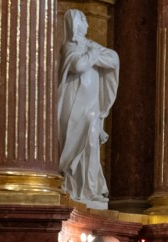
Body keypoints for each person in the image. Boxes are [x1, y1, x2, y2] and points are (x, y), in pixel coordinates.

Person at [57, 9, 119, 210]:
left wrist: (90, 54)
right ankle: (74, 187)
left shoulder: (90, 46)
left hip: (91, 107)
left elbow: (113, 59)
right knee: (75, 145)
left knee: (91, 146)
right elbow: (78, 65)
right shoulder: (69, 47)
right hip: (73, 106)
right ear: (75, 23)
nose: (88, 25)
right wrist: (93, 54)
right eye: (84, 20)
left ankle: (90, 190)